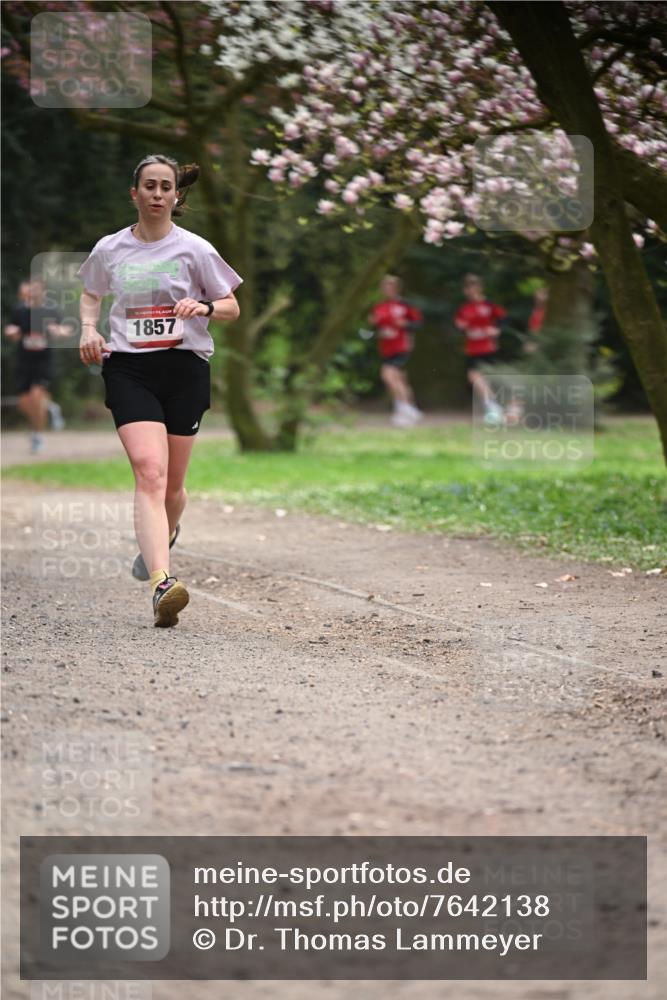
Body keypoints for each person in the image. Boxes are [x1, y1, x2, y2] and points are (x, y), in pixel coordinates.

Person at [77, 154, 242, 628]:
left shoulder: (195, 249)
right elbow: (92, 292)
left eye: (165, 187)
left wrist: (205, 306)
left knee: (172, 485)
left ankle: (163, 535)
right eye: (148, 186)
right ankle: (162, 585)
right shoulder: (110, 249)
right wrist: (89, 329)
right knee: (150, 472)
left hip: (185, 367)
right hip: (129, 368)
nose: (156, 194)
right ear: (134, 193)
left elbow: (232, 306)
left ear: (175, 196)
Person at [3, 278, 70, 453]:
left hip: (44, 360)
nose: (33, 292)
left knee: (36, 396)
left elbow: (66, 329)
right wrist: (11, 332)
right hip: (23, 360)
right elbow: (12, 330)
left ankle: (37, 436)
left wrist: (58, 331)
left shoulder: (51, 309)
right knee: (24, 403)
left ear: (43, 291)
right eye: (30, 289)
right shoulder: (20, 310)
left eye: (37, 289)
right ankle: (50, 408)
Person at [368, 275, 423, 427]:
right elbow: (375, 328)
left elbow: (417, 323)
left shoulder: (405, 305)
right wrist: (375, 327)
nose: (387, 289)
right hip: (386, 348)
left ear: (397, 288)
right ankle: (408, 410)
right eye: (385, 286)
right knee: (399, 379)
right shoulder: (379, 307)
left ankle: (405, 409)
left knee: (387, 375)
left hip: (402, 346)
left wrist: (405, 324)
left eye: (391, 286)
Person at [454, 273, 507, 426]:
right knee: (476, 378)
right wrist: (461, 327)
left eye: (473, 287)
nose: (470, 291)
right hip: (472, 349)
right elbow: (460, 324)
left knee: (478, 377)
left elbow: (503, 319)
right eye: (467, 288)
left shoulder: (489, 305)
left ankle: (493, 408)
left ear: (479, 288)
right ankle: (493, 408)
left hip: (488, 347)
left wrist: (496, 330)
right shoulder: (464, 308)